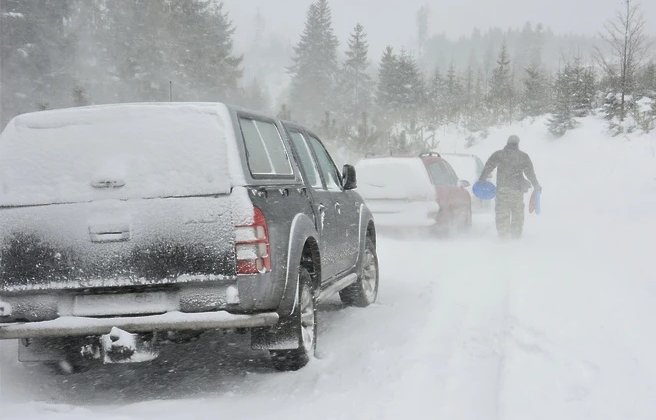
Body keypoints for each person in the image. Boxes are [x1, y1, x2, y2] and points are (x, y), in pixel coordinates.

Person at [479, 135, 541, 239]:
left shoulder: (499, 154)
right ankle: (515, 239)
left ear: (507, 143)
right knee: (517, 216)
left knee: (502, 215)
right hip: (517, 192)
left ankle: (503, 239)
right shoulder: (523, 156)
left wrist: (482, 179)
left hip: (502, 191)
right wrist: (536, 185)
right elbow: (530, 173)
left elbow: (488, 167)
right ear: (517, 144)